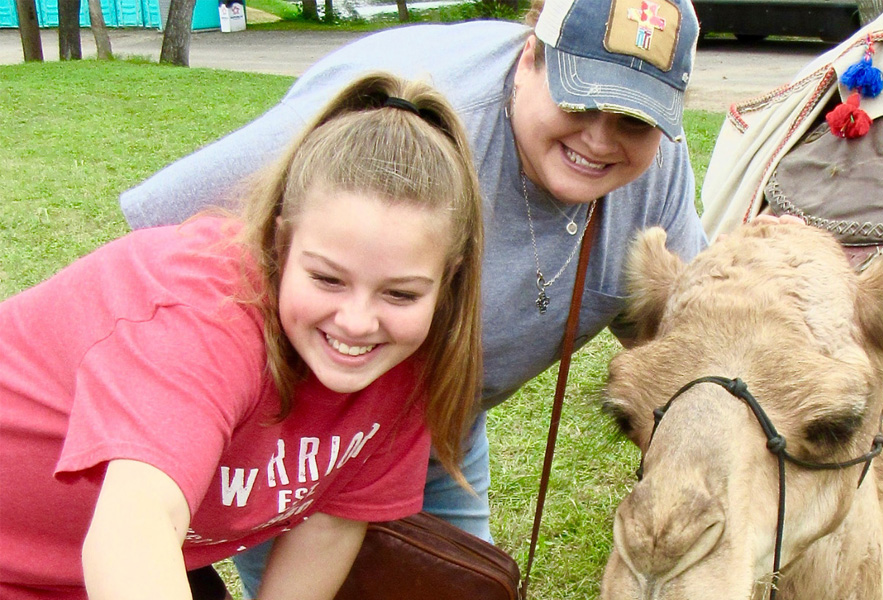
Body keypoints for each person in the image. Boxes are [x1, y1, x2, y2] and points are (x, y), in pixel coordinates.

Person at [119, 0, 708, 594]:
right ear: (530, 57)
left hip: (437, 416)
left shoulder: (655, 172)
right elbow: (166, 234)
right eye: (580, 102)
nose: (601, 139)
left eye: (632, 119)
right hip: (295, 427)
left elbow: (694, 339)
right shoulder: (412, 114)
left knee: (454, 588)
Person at [0, 73, 485, 600]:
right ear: (281, 241)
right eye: (327, 279)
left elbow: (330, 524)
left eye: (400, 294)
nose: (357, 322)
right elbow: (133, 530)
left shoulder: (406, 356)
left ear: (448, 278)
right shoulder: (203, 316)